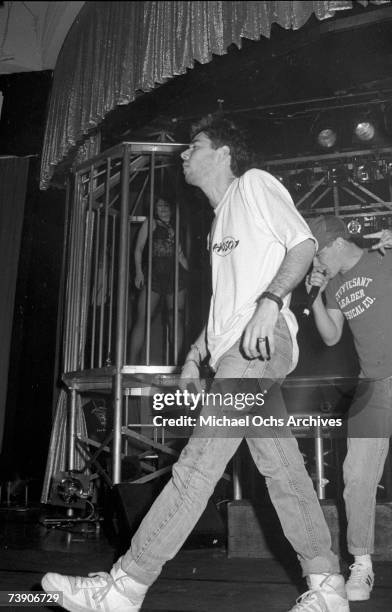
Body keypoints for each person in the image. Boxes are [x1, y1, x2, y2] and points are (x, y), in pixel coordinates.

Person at [42, 117, 348, 612]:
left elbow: (303, 243)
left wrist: (271, 302)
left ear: (224, 153)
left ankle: (125, 586)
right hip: (237, 350)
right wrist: (193, 354)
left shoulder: (254, 185)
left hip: (258, 346)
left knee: (199, 464)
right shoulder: (217, 224)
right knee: (282, 469)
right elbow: (224, 307)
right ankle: (327, 586)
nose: (184, 154)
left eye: (196, 146)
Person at [305, 214, 392, 602]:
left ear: (338, 243)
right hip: (372, 384)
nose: (316, 262)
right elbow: (331, 336)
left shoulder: (383, 257)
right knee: (356, 473)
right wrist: (315, 298)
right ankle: (362, 564)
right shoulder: (334, 283)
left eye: (319, 252)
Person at [128, 196, 188, 364]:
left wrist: (190, 272)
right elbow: (138, 249)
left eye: (165, 204)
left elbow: (182, 256)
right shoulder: (151, 223)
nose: (162, 208)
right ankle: (131, 363)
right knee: (142, 317)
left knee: (175, 317)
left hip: (175, 276)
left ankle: (176, 364)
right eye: (158, 205)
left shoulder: (177, 225)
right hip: (154, 274)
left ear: (172, 207)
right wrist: (139, 272)